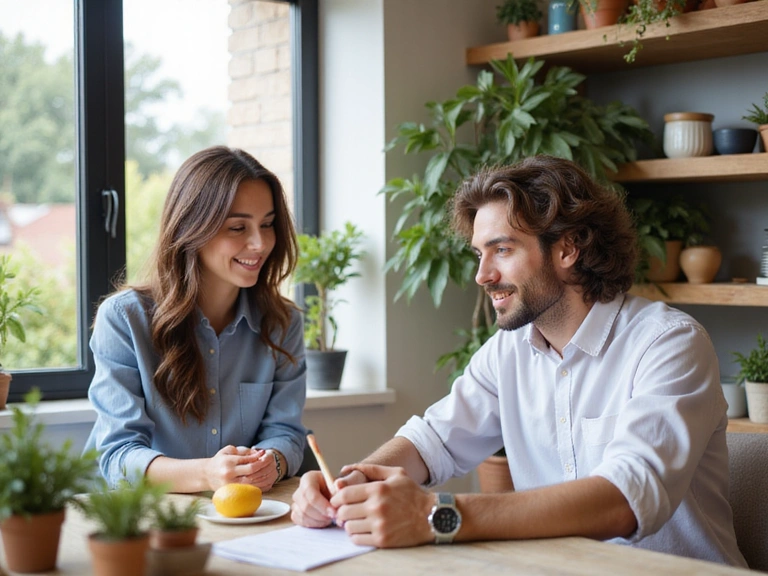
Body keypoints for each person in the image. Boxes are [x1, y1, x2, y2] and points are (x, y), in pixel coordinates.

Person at [291, 155, 747, 567]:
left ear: (567, 249)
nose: (482, 274)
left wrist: (436, 515)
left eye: (502, 250)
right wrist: (351, 484)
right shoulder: (506, 351)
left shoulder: (668, 343)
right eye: (480, 253)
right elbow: (433, 442)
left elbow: (624, 499)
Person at [85, 146, 307, 493]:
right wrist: (207, 474)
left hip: (239, 513)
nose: (259, 243)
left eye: (267, 224)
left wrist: (272, 462)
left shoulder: (283, 322)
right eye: (238, 227)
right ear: (192, 229)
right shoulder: (124, 319)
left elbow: (286, 432)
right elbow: (118, 456)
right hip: (134, 514)